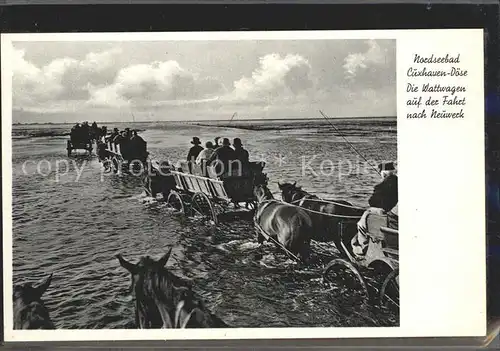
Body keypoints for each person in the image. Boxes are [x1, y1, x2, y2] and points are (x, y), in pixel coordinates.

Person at [351, 162, 399, 258]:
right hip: (393, 212)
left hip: (385, 213)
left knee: (361, 223)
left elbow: (372, 202)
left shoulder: (382, 186)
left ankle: (362, 247)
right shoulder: (398, 181)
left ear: (383, 173)